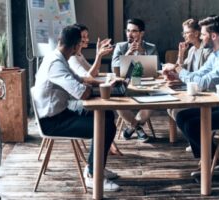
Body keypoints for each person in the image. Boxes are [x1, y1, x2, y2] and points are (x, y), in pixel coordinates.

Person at [33, 25, 120, 191]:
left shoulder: (58, 57)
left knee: (107, 113)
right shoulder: (56, 64)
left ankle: (95, 166)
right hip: (53, 122)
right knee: (106, 126)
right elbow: (82, 94)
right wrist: (90, 88)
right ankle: (93, 176)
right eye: (80, 44)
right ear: (75, 46)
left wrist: (104, 83)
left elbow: (81, 79)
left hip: (62, 112)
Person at [163, 16, 219, 177]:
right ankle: (214, 156)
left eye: (203, 34)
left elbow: (204, 82)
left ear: (213, 36)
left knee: (192, 125)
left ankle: (208, 162)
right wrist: (176, 76)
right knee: (182, 116)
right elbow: (198, 74)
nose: (201, 36)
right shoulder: (216, 55)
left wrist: (178, 71)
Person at [68, 23, 123, 156]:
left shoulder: (79, 55)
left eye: (87, 36)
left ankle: (108, 143)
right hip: (74, 98)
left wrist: (99, 55)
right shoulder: (72, 58)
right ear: (76, 39)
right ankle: (106, 144)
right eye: (83, 37)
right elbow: (88, 77)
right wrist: (98, 55)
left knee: (108, 109)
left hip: (82, 93)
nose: (87, 40)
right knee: (106, 108)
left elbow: (95, 72)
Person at [167, 18, 212, 152]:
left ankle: (197, 139)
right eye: (184, 33)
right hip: (193, 88)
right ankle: (195, 138)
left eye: (187, 32)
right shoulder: (192, 50)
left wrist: (178, 73)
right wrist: (181, 54)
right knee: (170, 108)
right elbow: (180, 69)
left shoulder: (207, 52)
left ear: (197, 33)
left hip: (205, 92)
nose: (184, 35)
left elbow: (202, 79)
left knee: (176, 110)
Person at [111, 18, 158, 142]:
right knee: (116, 100)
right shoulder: (120, 47)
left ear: (142, 33)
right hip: (126, 86)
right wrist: (127, 54)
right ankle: (137, 127)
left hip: (145, 85)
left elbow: (156, 69)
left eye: (134, 31)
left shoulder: (151, 47)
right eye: (128, 31)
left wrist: (143, 53)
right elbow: (114, 68)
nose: (130, 34)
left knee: (155, 99)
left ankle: (130, 128)